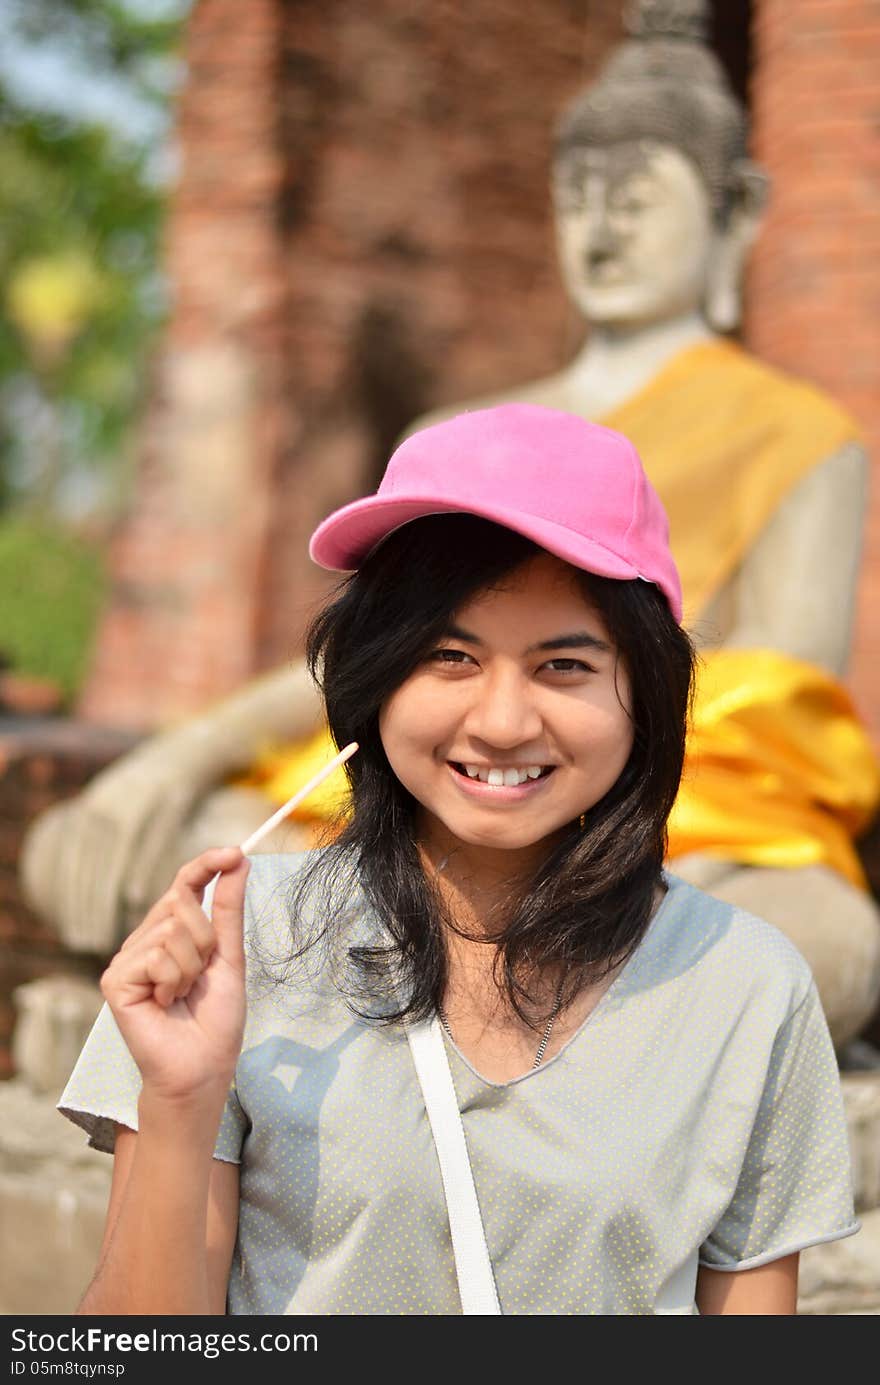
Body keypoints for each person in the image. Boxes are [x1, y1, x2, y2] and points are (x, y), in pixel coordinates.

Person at [21, 0, 879, 1052]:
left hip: (678, 818)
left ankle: (489, 985)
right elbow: (372, 658)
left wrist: (598, 806)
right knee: (179, 849)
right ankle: (505, 997)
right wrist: (169, 759)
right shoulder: (457, 437)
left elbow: (776, 693)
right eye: (578, 197)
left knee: (807, 943)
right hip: (432, 808)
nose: (601, 229)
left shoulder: (798, 435)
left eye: (638, 199)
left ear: (735, 215)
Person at [59, 404, 857, 1316]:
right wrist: (178, 1101)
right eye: (449, 655)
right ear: (376, 677)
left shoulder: (747, 987)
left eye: (564, 666)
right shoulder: (238, 946)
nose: (504, 721)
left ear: (646, 696)